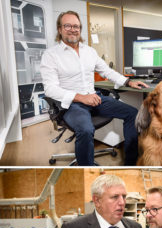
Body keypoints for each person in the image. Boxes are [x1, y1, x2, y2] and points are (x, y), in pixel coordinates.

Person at [40, 11, 149, 166]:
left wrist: (127, 82)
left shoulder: (89, 51)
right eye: (68, 26)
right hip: (72, 104)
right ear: (60, 29)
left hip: (94, 99)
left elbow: (106, 71)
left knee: (132, 114)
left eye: (76, 26)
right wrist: (80, 97)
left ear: (80, 29)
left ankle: (131, 163)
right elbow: (50, 89)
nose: (73, 29)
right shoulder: (51, 55)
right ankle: (87, 169)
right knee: (85, 129)